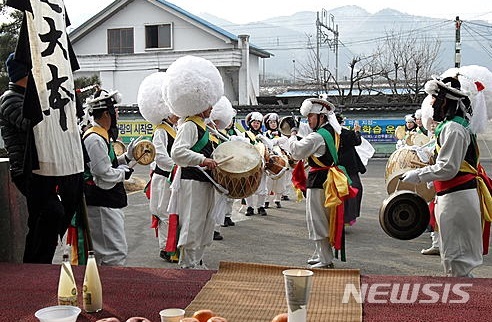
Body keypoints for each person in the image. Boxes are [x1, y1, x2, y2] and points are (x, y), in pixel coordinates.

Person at [401, 75, 490, 277]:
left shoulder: (454, 128)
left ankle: (462, 301)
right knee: (453, 253)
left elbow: (448, 168)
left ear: (446, 101)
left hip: (457, 197)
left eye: (435, 98)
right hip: (453, 196)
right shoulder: (452, 126)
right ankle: (460, 296)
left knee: (457, 255)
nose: (431, 102)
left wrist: (418, 174)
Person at [1, 53, 85, 264]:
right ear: (24, 73)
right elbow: (34, 125)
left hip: (42, 167)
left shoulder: (28, 97)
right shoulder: (9, 98)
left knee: (43, 217)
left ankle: (37, 263)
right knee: (50, 212)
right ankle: (36, 263)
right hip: (26, 169)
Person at [166, 55, 223, 269]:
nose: (211, 106)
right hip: (192, 181)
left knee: (206, 222)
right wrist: (203, 160)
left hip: (206, 181)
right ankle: (187, 263)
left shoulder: (206, 126)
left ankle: (198, 259)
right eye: (208, 101)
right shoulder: (189, 125)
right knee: (193, 221)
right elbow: (177, 153)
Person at [288, 97, 350, 269]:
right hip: (327, 179)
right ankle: (321, 253)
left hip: (319, 181)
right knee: (323, 218)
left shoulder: (317, 136)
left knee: (317, 220)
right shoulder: (331, 132)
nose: (309, 120)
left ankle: (325, 258)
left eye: (311, 116)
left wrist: (293, 135)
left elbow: (296, 151)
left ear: (321, 117)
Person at [83, 88, 140, 266]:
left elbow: (108, 164)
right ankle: (111, 290)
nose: (117, 113)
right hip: (101, 202)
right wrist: (125, 173)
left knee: (110, 252)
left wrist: (128, 157)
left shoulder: (101, 136)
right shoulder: (94, 138)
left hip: (107, 200)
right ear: (106, 113)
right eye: (115, 110)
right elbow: (103, 172)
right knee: (113, 253)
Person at [137, 71, 180, 263]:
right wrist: (177, 166)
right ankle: (165, 248)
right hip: (164, 178)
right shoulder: (161, 131)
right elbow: (160, 156)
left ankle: (171, 246)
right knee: (164, 213)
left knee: (171, 213)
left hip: (172, 177)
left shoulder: (174, 129)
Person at [336, 113, 366, 226]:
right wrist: (357, 131)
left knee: (352, 190)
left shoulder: (338, 132)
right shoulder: (345, 133)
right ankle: (346, 217)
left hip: (341, 166)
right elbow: (357, 140)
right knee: (353, 189)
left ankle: (346, 217)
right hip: (345, 167)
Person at [243, 111, 269, 216]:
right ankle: (249, 207)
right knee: (248, 186)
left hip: (261, 164)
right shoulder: (245, 134)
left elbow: (270, 146)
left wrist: (263, 139)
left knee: (262, 187)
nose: (256, 124)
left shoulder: (264, 135)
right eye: (254, 122)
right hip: (248, 163)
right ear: (250, 123)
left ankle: (261, 206)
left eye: (258, 122)